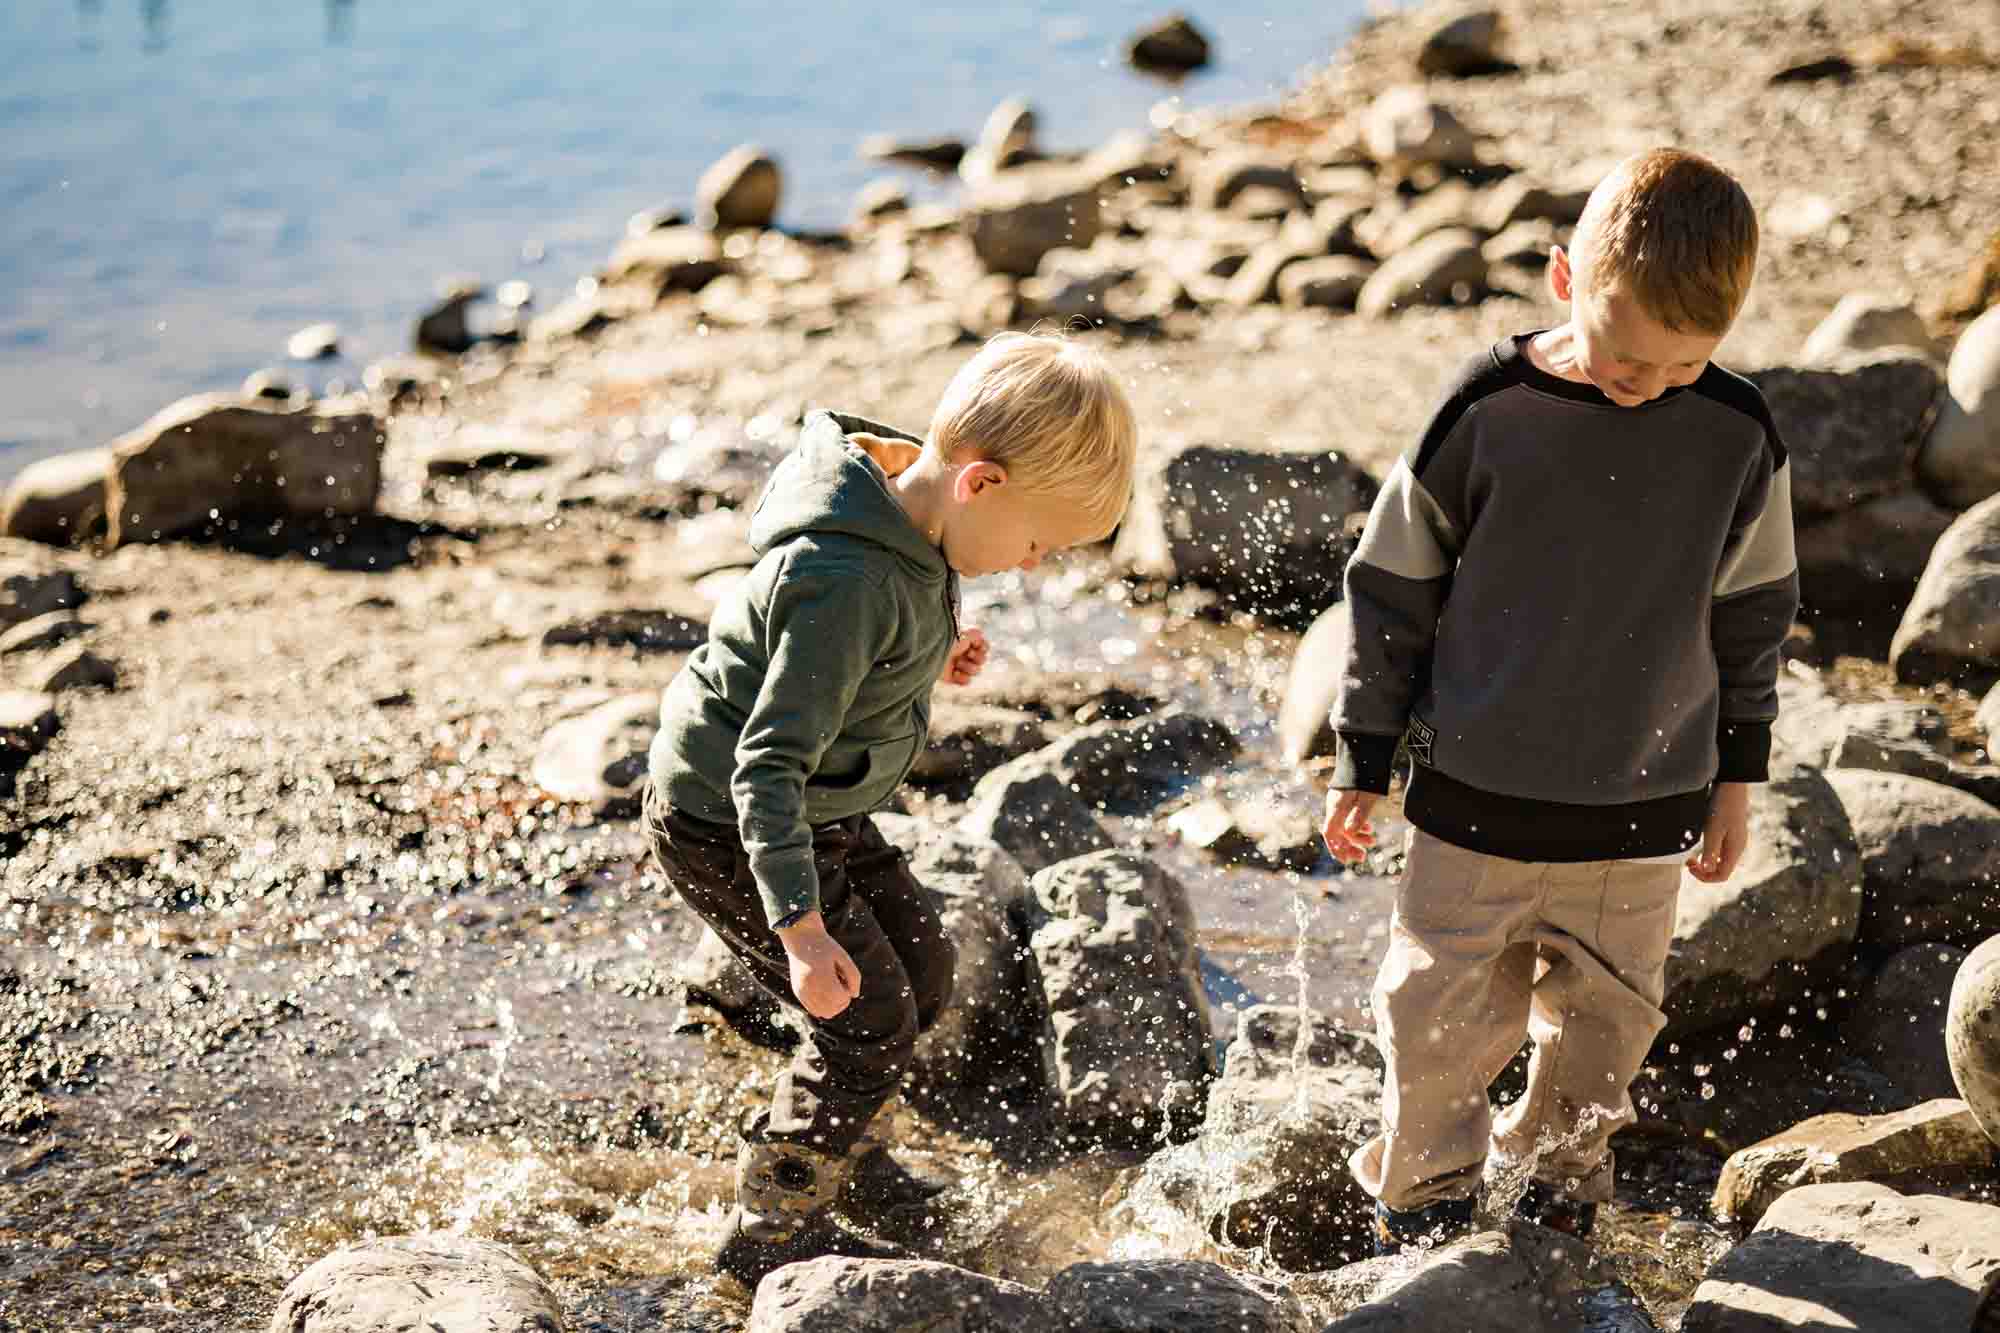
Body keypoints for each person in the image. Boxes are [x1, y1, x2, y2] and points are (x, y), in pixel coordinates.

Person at [1321, 147, 1798, 1253]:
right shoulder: (1486, 409)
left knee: (1606, 1033)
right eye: (1623, 356)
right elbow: (1391, 588)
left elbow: (1754, 615)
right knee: (1436, 1021)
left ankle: (1554, 1198)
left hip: (1642, 808)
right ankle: (1425, 1205)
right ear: (1563, 278)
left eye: (1682, 365)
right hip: (1471, 798)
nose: (1645, 385)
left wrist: (1736, 780)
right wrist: (1361, 758)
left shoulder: (1737, 432)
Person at [642, 330, 1138, 1284]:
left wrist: (929, 654)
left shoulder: (917, 518)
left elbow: (883, 626)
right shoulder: (847, 581)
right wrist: (800, 930)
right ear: (982, 482)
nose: (1032, 563)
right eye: (1038, 542)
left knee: (922, 971)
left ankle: (849, 1156)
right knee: (865, 1018)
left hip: (824, 805)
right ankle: (773, 1223)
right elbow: (766, 764)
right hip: (733, 821)